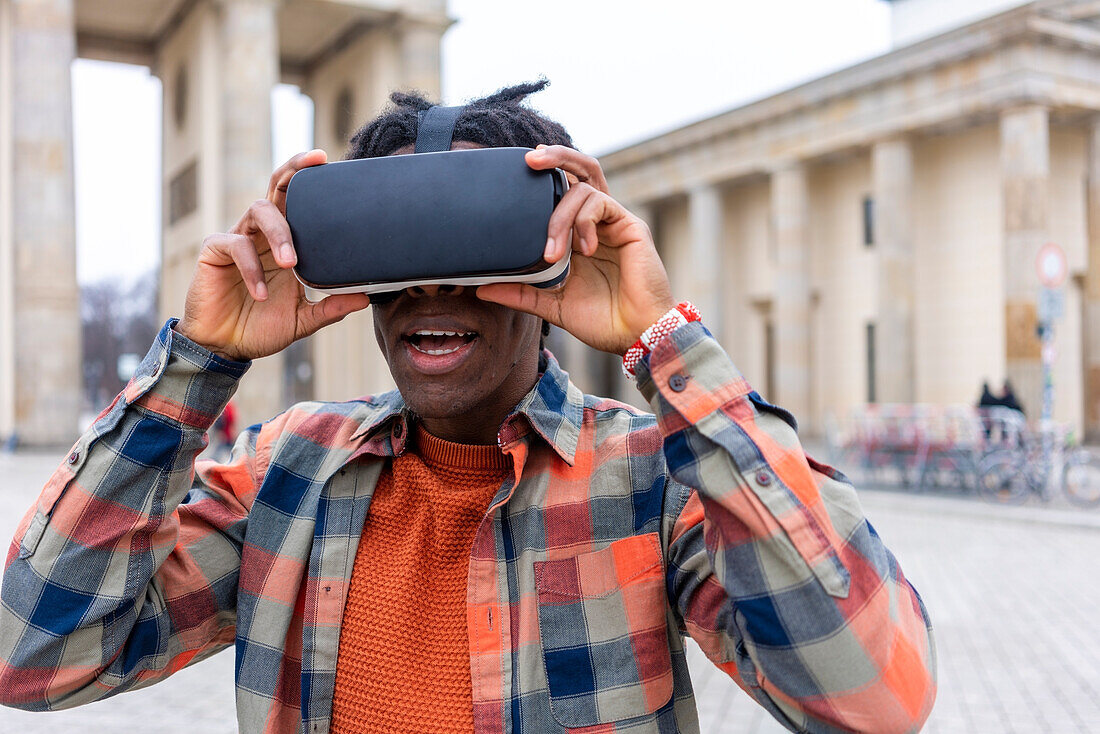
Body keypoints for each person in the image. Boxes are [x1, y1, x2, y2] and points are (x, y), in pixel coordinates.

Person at [0, 81, 936, 733]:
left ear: (553, 255)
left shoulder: (654, 482)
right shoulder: (286, 475)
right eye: (390, 249)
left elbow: (870, 699)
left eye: (472, 244)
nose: (431, 286)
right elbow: (33, 655)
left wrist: (663, 340)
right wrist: (194, 369)